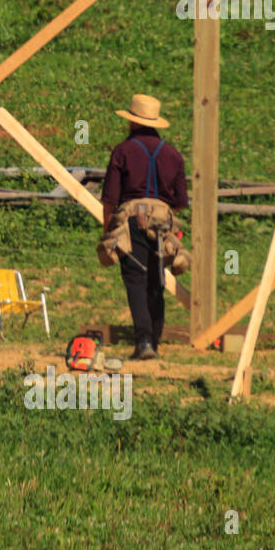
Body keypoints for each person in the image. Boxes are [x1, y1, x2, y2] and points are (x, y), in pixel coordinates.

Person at [99, 94, 189, 361]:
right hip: (163, 222)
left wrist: (108, 233)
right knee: (156, 281)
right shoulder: (173, 155)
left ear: (133, 123)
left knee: (136, 280)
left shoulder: (123, 151)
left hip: (132, 220)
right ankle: (154, 343)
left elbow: (110, 200)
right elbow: (180, 203)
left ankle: (144, 342)